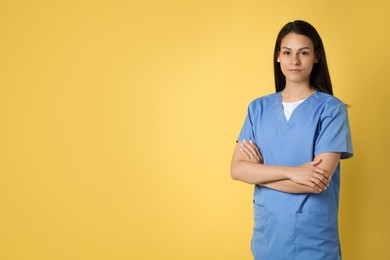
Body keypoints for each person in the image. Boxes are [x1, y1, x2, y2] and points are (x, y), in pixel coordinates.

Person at [230, 20, 353, 260]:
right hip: (268, 237)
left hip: (314, 241)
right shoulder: (258, 109)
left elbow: (315, 182)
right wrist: (292, 172)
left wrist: (259, 173)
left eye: (303, 53)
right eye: (287, 52)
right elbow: (237, 170)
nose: (294, 61)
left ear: (316, 57)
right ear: (278, 57)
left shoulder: (331, 110)